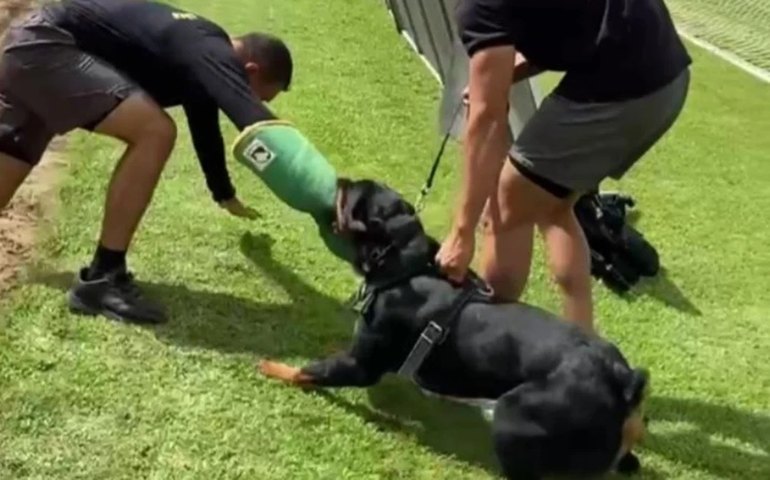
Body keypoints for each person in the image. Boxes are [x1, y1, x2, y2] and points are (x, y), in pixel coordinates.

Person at [0, 0, 300, 323]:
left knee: (13, 158)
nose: (247, 95)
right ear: (250, 70)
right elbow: (253, 121)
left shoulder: (199, 53)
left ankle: (104, 277)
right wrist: (315, 191)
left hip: (28, 47)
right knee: (155, 131)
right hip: (48, 47)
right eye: (256, 93)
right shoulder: (213, 49)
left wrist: (223, 192)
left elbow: (204, 124)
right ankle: (104, 277)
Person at [435, 0, 692, 332]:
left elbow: (486, 122)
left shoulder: (478, 5)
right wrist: (505, 72)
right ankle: (582, 345)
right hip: (665, 75)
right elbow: (569, 23)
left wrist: (461, 234)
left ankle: (484, 345)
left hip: (629, 83)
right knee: (553, 208)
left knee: (506, 204)